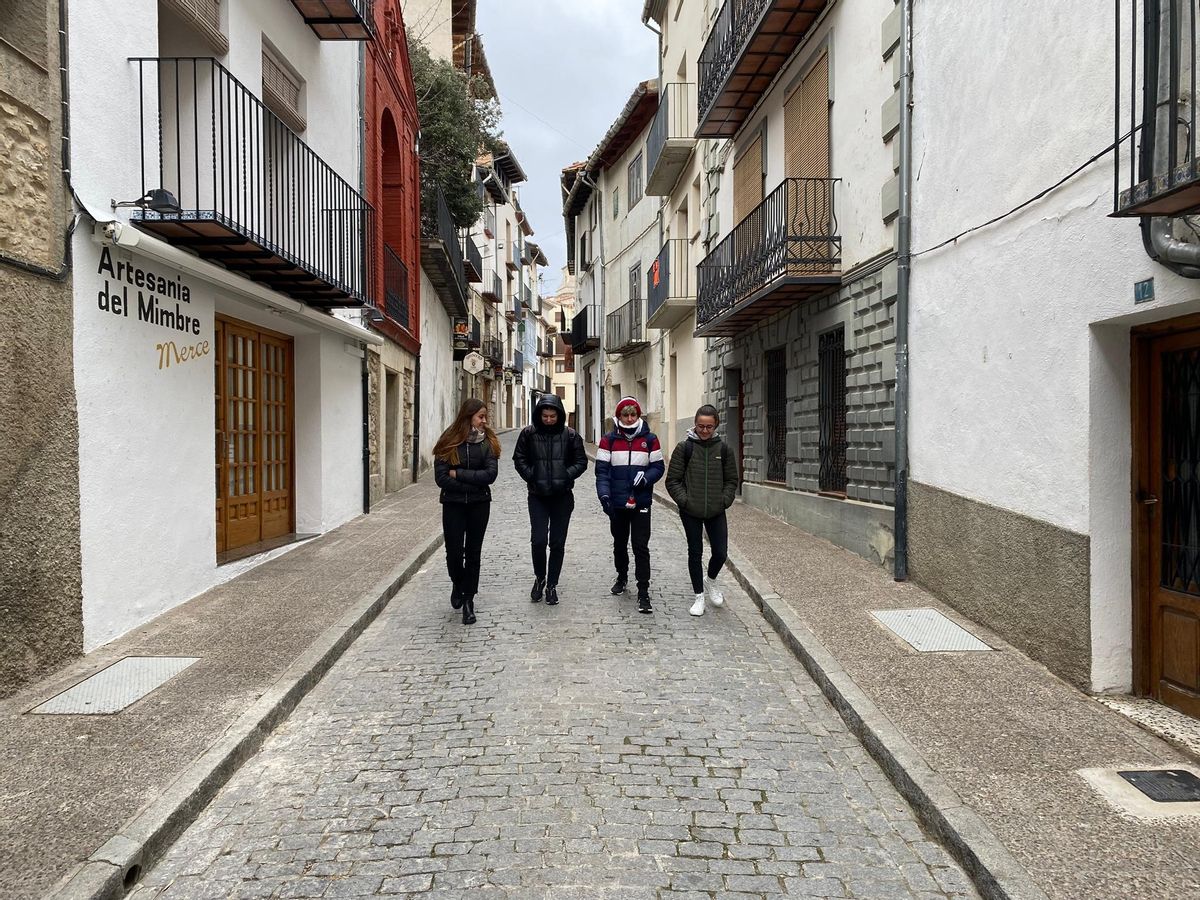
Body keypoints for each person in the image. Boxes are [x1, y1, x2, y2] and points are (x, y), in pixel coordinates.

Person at [512, 394, 587, 606]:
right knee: (538, 540)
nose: (548, 420)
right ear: (539, 415)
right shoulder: (528, 434)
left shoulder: (570, 436)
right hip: (537, 496)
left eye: (552, 416)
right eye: (545, 416)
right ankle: (539, 578)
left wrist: (565, 474)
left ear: (559, 415)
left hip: (562, 497)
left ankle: (552, 584)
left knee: (557, 542)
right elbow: (519, 459)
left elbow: (581, 462)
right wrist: (532, 475)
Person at [665, 404, 739, 616]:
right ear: (695, 425)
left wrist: (724, 500)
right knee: (695, 552)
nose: (704, 431)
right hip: (691, 510)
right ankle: (699, 597)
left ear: (715, 426)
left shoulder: (724, 449)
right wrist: (685, 501)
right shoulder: (684, 448)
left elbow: (732, 480)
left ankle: (711, 580)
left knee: (720, 553)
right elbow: (673, 481)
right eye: (700, 426)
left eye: (709, 427)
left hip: (716, 510)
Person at [433, 399, 499, 625]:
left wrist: (458, 474)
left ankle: (469, 600)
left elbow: (490, 475)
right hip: (453, 504)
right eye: (481, 416)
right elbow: (441, 478)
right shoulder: (448, 441)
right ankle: (457, 582)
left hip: (480, 504)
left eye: (485, 416)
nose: (484, 421)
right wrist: (473, 482)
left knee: (473, 553)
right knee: (453, 552)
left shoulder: (488, 442)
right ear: (468, 415)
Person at [595, 396, 664, 614]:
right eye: (625, 414)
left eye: (633, 414)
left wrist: (646, 478)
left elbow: (658, 467)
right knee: (619, 543)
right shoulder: (608, 440)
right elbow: (602, 472)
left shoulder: (650, 439)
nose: (629, 418)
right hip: (617, 502)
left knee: (641, 546)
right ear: (619, 416)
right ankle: (622, 575)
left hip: (641, 501)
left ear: (638, 415)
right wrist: (604, 496)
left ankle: (643, 590)